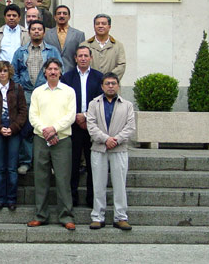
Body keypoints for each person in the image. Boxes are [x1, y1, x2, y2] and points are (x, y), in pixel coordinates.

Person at [27, 58, 76, 230]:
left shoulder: (69, 91)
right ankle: (40, 215)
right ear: (45, 72)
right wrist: (46, 132)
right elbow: (33, 116)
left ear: (60, 72)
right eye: (50, 69)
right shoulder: (38, 92)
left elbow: (71, 116)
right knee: (41, 179)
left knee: (63, 179)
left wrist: (54, 129)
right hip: (41, 139)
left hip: (62, 140)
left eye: (56, 69)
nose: (53, 72)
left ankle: (66, 216)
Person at [11, 20, 62, 175]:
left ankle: (49, 163)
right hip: (26, 93)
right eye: (33, 29)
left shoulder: (52, 51)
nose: (37, 32)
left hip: (46, 92)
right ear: (29, 32)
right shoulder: (20, 52)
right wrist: (20, 87)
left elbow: (60, 70)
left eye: (40, 29)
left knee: (46, 127)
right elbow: (14, 72)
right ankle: (25, 161)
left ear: (44, 32)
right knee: (26, 128)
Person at [87, 72, 135, 231]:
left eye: (113, 83)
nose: (110, 86)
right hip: (99, 148)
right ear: (102, 86)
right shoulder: (94, 104)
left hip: (119, 149)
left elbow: (130, 127)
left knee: (120, 184)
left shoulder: (127, 105)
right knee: (98, 184)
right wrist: (105, 139)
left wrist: (116, 139)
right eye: (107, 83)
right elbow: (91, 126)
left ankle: (120, 217)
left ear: (118, 86)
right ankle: (97, 216)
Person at [61, 46, 103, 207]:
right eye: (80, 56)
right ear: (75, 58)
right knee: (73, 163)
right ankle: (72, 197)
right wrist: (76, 116)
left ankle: (92, 198)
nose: (83, 58)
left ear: (91, 58)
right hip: (73, 126)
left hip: (93, 126)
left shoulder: (99, 77)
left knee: (93, 164)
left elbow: (100, 101)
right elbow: (63, 101)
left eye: (86, 55)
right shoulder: (67, 77)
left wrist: (85, 116)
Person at [0, 61, 27, 211]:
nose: (3, 73)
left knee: (12, 167)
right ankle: (0, 198)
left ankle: (11, 199)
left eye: (5, 71)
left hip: (13, 128)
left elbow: (23, 112)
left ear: (9, 72)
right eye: (0, 71)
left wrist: (13, 128)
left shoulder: (17, 88)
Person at [80, 14, 126, 80]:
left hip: (110, 86)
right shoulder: (85, 45)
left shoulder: (118, 46)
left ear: (109, 27)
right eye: (97, 24)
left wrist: (107, 78)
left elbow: (121, 66)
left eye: (104, 24)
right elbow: (81, 66)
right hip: (90, 84)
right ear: (94, 26)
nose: (100, 26)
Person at [44, 5, 86, 74]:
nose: (62, 16)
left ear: (69, 17)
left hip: (72, 73)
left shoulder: (79, 35)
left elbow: (81, 55)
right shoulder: (46, 34)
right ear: (54, 17)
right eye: (59, 13)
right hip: (52, 73)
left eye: (65, 13)